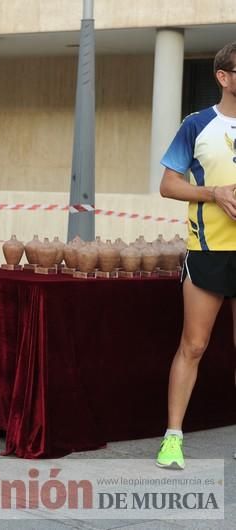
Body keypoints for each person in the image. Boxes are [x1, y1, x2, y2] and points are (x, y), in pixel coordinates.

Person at [156, 41, 236, 470]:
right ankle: (173, 439)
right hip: (209, 249)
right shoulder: (197, 124)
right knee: (195, 344)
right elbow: (169, 184)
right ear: (223, 77)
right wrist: (214, 193)